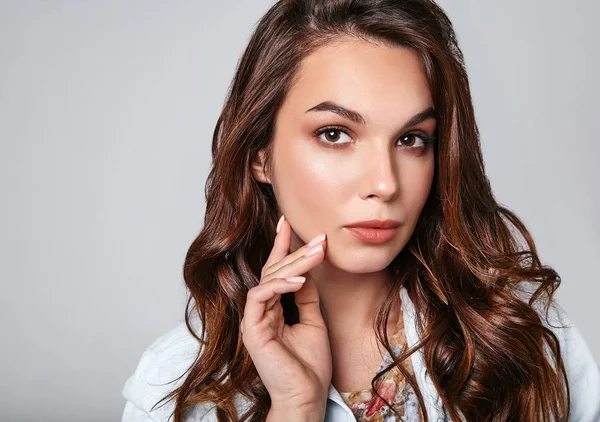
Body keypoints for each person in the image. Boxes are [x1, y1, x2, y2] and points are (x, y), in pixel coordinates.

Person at [121, 0, 600, 421]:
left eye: (412, 140)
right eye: (334, 134)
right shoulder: (176, 385)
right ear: (260, 154)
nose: (385, 183)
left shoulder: (520, 334)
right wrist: (294, 410)